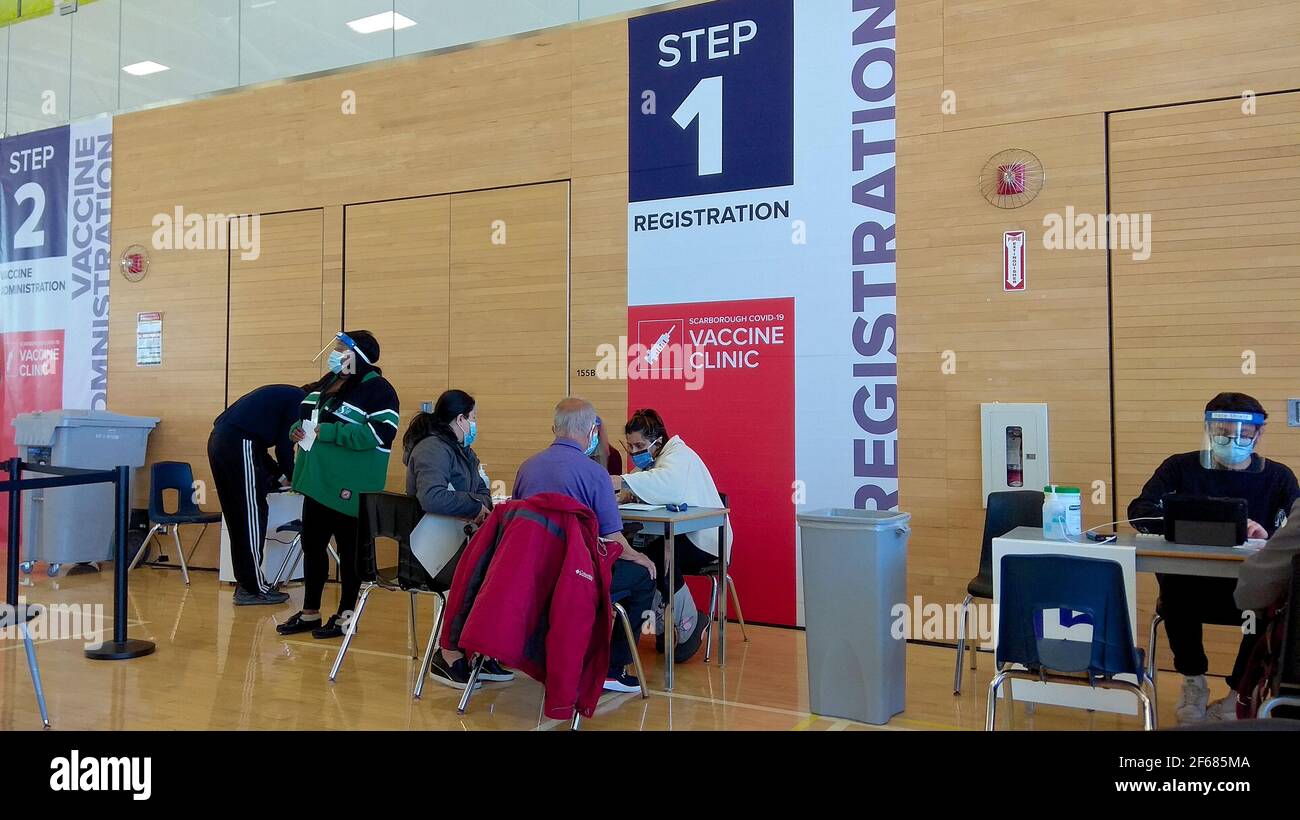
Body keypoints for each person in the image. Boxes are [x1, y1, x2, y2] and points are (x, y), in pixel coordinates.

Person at [1127, 392, 1299, 723]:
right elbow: (1140, 511)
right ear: (1209, 430)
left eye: (1243, 432)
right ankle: (1193, 682)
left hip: (1248, 589)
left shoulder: (1278, 478)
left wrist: (1267, 535)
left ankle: (1238, 693)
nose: (1231, 439)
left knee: (1271, 605)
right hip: (1189, 587)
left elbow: (1296, 532)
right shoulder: (1179, 467)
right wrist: (1194, 524)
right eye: (1222, 430)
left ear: (1258, 434)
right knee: (1175, 591)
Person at [512, 398, 658, 693]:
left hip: (534, 575)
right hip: (580, 577)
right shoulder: (596, 475)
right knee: (643, 577)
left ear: (554, 428)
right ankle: (614, 667)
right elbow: (613, 538)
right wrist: (641, 557)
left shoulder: (526, 468)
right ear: (592, 432)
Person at [277, 331, 400, 639]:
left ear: (358, 354)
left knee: (350, 554)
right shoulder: (327, 383)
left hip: (350, 487)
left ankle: (346, 616)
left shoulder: (379, 390)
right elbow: (308, 418)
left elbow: (379, 435)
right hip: (317, 482)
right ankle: (310, 613)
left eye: (341, 349)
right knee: (313, 547)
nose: (335, 353)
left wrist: (329, 433)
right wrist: (296, 429)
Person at [402, 389, 513, 688]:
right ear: (460, 418)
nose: (475, 424)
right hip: (430, 549)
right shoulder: (431, 449)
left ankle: (481, 650)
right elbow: (432, 498)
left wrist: (474, 503)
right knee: (490, 573)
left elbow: (484, 493)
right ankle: (448, 654)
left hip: (456, 540)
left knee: (506, 570)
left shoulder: (465, 451)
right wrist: (473, 505)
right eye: (473, 418)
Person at [612, 408, 729, 663]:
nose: (634, 452)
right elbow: (639, 484)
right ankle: (662, 624)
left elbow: (668, 484)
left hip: (707, 542)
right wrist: (627, 491)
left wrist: (622, 483)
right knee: (640, 556)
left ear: (658, 441)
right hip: (676, 538)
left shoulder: (679, 456)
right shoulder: (653, 463)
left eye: (640, 445)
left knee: (654, 556)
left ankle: (689, 622)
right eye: (629, 446)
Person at [207, 383, 304, 605]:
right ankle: (253, 588)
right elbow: (283, 448)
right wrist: (298, 480)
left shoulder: (283, 396)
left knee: (239, 515)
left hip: (220, 441)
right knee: (251, 515)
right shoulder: (300, 402)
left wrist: (282, 477)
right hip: (238, 442)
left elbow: (260, 452)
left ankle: (246, 585)